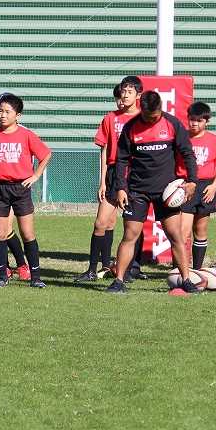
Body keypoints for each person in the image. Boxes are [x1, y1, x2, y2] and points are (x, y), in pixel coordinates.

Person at [106, 90, 198, 294]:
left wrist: (192, 181)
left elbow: (188, 154)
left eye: (155, 116)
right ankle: (119, 281)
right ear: (142, 110)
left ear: (160, 109)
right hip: (137, 191)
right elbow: (121, 160)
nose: (152, 120)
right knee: (130, 235)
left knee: (175, 235)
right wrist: (121, 188)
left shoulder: (172, 124)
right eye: (148, 116)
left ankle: (186, 280)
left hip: (166, 192)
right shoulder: (131, 127)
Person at [0, 92, 52, 288]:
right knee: (0, 233)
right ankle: (2, 276)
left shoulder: (26, 135)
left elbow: (46, 154)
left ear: (18, 115)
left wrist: (35, 176)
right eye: (0, 111)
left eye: (8, 111)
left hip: (20, 188)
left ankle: (36, 277)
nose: (3, 115)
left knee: (27, 233)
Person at [75, 78, 140, 282]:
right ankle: (92, 269)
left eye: (129, 92)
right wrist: (102, 181)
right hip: (113, 173)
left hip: (135, 174)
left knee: (132, 227)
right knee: (101, 223)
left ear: (138, 95)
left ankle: (127, 271)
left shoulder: (143, 118)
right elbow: (104, 150)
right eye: (122, 92)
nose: (124, 95)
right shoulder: (110, 118)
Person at [178, 102, 216, 269]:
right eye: (192, 119)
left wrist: (214, 186)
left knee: (201, 230)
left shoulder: (214, 140)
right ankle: (181, 268)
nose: (194, 123)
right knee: (183, 232)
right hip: (186, 186)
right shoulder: (181, 138)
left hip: (206, 187)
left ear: (207, 121)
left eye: (199, 120)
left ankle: (197, 269)